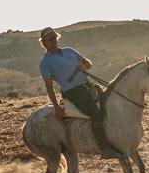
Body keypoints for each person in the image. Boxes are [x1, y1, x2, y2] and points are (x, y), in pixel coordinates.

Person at [38, 27, 121, 159]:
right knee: (96, 114)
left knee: (111, 104)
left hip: (88, 85)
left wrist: (85, 66)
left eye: (55, 38)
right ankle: (105, 149)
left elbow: (88, 62)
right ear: (44, 43)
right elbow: (49, 87)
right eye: (50, 39)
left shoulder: (69, 51)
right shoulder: (45, 62)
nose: (54, 41)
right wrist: (56, 107)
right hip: (73, 92)